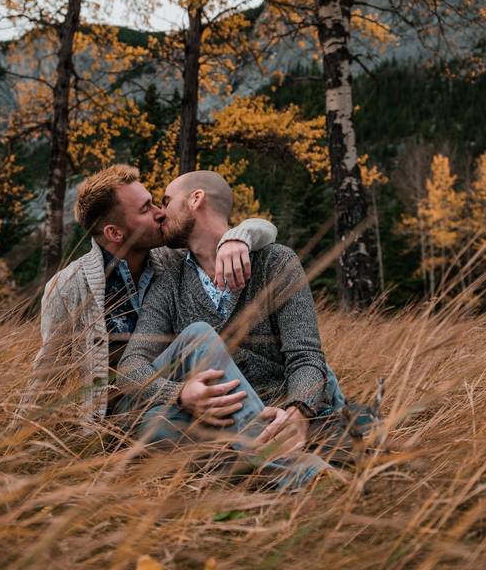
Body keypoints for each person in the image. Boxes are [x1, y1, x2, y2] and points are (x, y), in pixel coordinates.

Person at [116, 170, 366, 487]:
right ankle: (300, 471)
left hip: (270, 407)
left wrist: (298, 411)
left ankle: (265, 464)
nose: (161, 212)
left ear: (196, 199)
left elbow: (305, 356)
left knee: (322, 403)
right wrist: (179, 393)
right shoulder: (169, 284)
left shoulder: (276, 262)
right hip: (204, 416)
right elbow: (130, 367)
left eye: (167, 201)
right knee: (160, 416)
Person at [26, 164, 278, 426]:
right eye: (146, 209)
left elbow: (266, 230)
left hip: (195, 398)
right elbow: (46, 375)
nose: (161, 213)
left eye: (155, 203)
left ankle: (282, 446)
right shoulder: (68, 287)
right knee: (198, 337)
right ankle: (287, 457)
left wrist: (238, 237)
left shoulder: (174, 260)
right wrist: (13, 443)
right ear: (115, 232)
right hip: (123, 421)